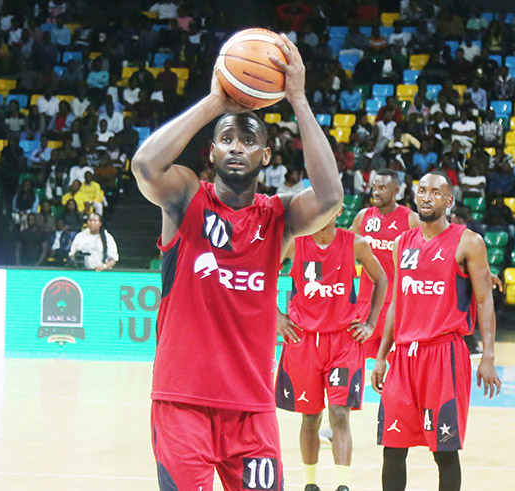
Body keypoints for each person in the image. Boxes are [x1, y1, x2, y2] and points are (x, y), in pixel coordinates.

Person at [131, 33, 343, 490]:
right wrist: (214, 102)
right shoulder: (187, 198)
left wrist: (299, 100)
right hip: (181, 403)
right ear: (212, 152)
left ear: (265, 156)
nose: (235, 147)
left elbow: (330, 197)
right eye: (225, 139)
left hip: (251, 409)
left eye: (248, 141)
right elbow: (145, 165)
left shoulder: (278, 217)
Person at [372, 172, 502, 491]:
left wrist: (488, 355)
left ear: (448, 201)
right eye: (422, 191)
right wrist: (381, 356)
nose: (426, 197)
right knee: (392, 449)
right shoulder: (402, 243)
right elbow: (395, 304)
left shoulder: (468, 241)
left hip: (445, 355)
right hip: (403, 358)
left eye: (435, 192)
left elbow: (484, 301)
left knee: (443, 452)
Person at [275, 211, 388, 491]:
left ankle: (342, 485)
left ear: (339, 210)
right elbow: (261, 275)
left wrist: (372, 323)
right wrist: (276, 317)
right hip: (305, 341)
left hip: (343, 340)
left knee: (339, 413)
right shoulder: (294, 242)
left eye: (329, 206)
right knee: (311, 417)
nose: (322, 211)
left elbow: (382, 280)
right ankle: (310, 484)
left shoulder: (356, 243)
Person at [350, 170, 422, 361]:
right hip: (367, 302)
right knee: (354, 364)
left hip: (397, 304)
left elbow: (437, 247)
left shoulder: (410, 219)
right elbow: (342, 249)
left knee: (398, 365)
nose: (376, 192)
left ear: (396, 191)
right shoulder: (362, 217)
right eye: (374, 187)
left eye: (382, 188)